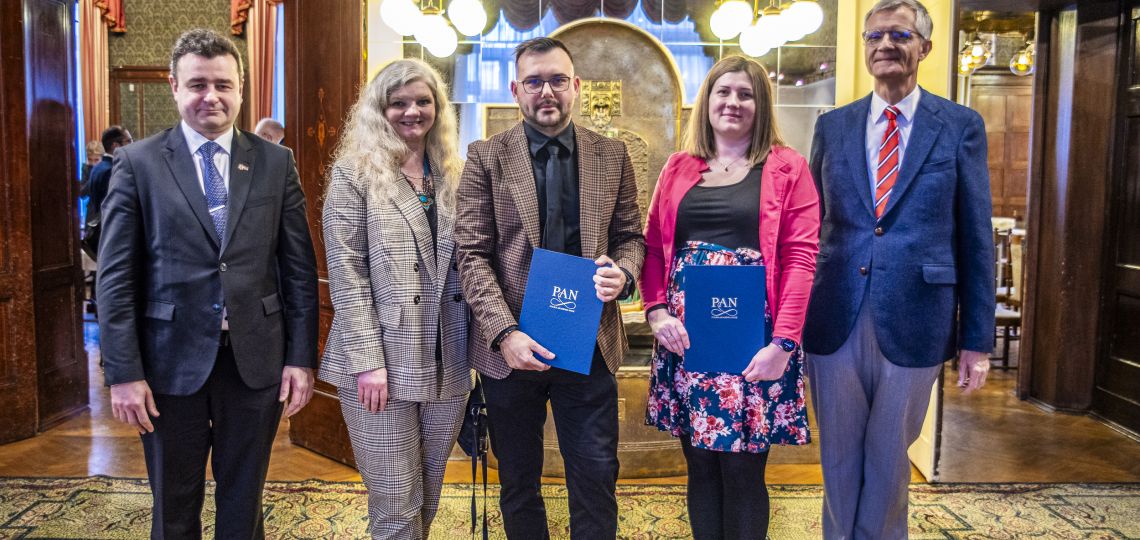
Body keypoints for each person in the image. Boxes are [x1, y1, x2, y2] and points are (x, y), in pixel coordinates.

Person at [97, 28, 319, 539]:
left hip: (255, 362)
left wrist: (300, 358)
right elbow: (114, 280)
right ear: (175, 86)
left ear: (242, 89)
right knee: (174, 505)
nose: (211, 96)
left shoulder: (275, 162)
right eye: (197, 84)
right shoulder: (136, 164)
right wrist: (124, 372)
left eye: (223, 84)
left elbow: (298, 270)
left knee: (244, 501)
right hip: (167, 365)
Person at [805, 1, 995, 537]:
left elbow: (977, 237)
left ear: (924, 49)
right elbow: (810, 228)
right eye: (876, 35)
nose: (886, 44)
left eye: (901, 35)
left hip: (918, 318)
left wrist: (977, 339)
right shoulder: (833, 127)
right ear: (865, 47)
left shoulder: (959, 126)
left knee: (890, 459)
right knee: (839, 457)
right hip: (833, 315)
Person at [455, 37, 645, 539]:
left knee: (597, 475)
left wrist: (623, 274)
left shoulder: (612, 155)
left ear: (576, 86)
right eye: (535, 81)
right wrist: (504, 333)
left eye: (557, 80)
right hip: (512, 348)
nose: (547, 91)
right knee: (518, 481)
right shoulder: (486, 157)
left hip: (590, 342)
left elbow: (631, 237)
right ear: (516, 89)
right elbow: (471, 255)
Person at [640, 55, 819, 540]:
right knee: (700, 468)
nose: (733, 103)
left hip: (756, 347)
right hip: (687, 343)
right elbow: (653, 248)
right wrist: (655, 312)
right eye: (723, 92)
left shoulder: (788, 167)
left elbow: (802, 259)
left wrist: (783, 344)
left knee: (743, 473)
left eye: (746, 94)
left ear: (761, 104)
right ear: (707, 101)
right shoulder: (678, 167)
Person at [320, 59, 470, 540]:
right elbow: (347, 272)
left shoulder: (454, 173)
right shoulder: (354, 175)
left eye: (423, 101)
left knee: (427, 494)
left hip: (448, 361)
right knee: (394, 502)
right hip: (378, 365)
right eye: (398, 102)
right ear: (379, 109)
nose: (412, 112)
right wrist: (367, 361)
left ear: (438, 108)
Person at [86, 125, 133, 232]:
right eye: (129, 141)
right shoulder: (112, 170)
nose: (132, 144)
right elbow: (112, 207)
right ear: (115, 145)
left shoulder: (99, 166)